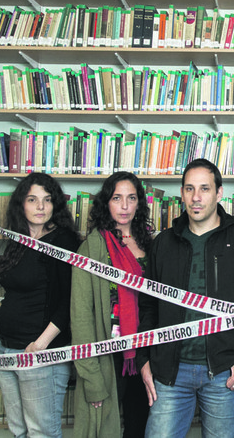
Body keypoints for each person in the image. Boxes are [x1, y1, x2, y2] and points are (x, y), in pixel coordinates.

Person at [137, 158, 234, 438]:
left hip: (224, 374)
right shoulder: (163, 243)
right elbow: (148, 306)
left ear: (219, 193)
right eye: (189, 189)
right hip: (169, 373)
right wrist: (144, 359)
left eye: (204, 189)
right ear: (182, 193)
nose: (196, 197)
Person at [0, 172, 80, 437]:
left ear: (56, 205)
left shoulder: (64, 241)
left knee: (41, 432)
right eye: (32, 199)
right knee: (19, 431)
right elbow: (13, 293)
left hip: (39, 354)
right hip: (5, 349)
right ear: (21, 204)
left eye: (47, 199)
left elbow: (69, 300)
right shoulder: (16, 241)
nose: (40, 207)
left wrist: (41, 345)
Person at [71, 172, 153, 437]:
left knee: (141, 423)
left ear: (139, 203)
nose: (125, 206)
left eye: (131, 198)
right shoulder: (92, 248)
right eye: (117, 198)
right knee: (104, 426)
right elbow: (81, 315)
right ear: (106, 202)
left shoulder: (151, 243)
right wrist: (91, 377)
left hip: (146, 351)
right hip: (109, 353)